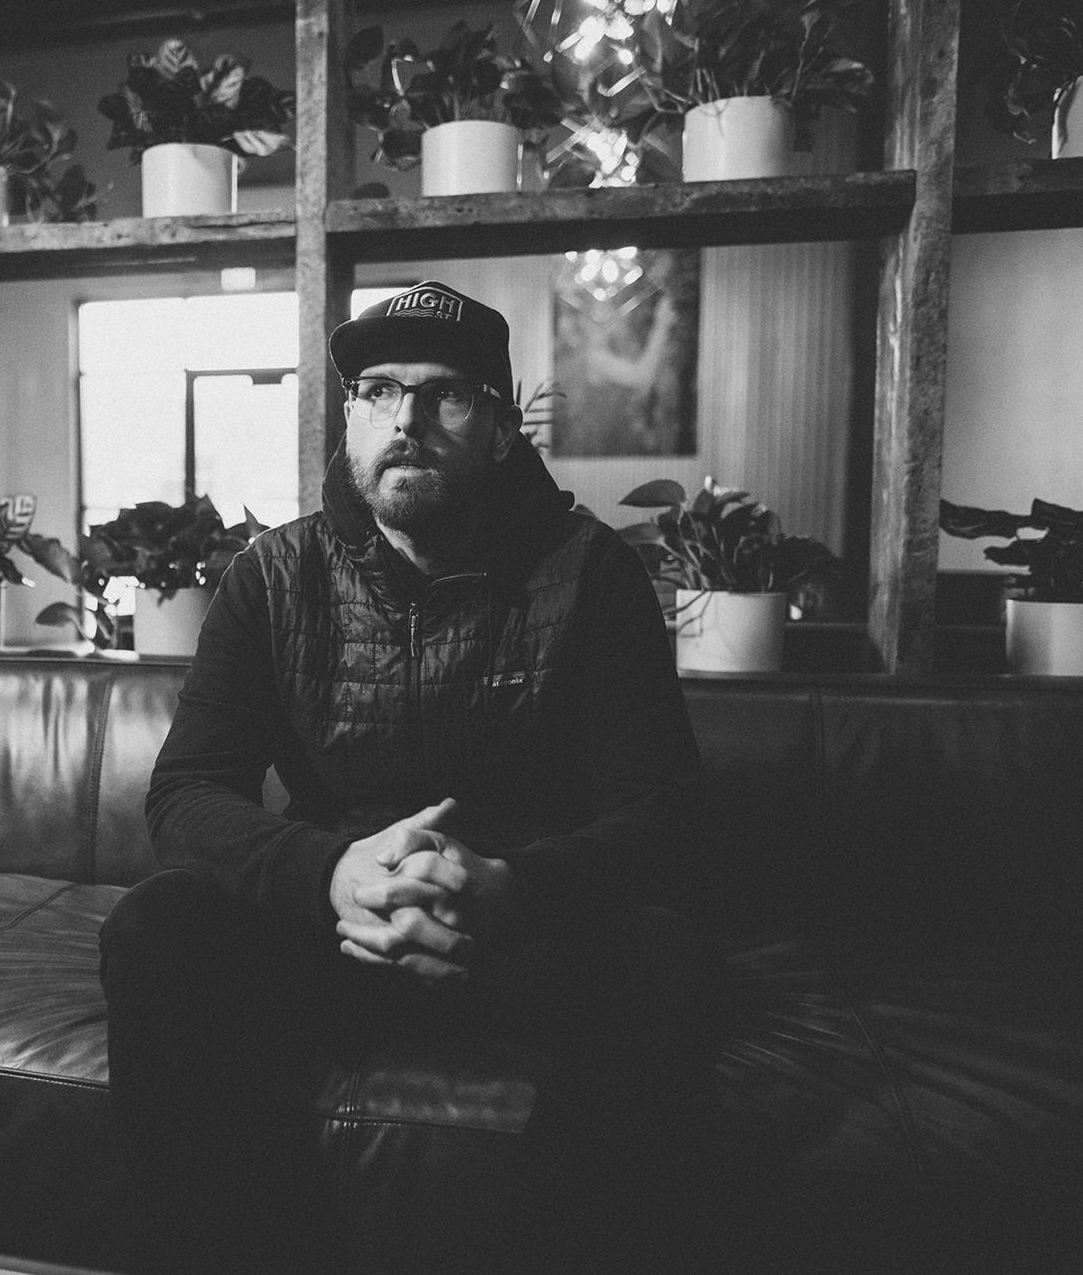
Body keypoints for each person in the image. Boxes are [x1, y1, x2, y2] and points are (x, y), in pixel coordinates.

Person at [98, 281, 731, 1273]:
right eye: (380, 390)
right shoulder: (271, 577)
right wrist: (331, 875)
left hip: (526, 935)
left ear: (499, 428)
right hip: (333, 929)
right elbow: (185, 796)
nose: (407, 419)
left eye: (447, 395)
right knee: (156, 928)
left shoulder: (592, 573)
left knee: (663, 956)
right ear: (348, 417)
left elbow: (663, 816)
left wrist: (513, 888)